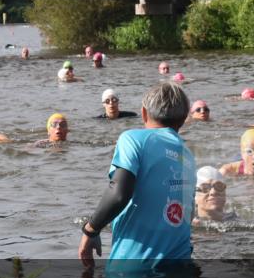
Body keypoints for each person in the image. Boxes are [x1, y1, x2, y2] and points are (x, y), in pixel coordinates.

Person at [78, 82, 195, 266]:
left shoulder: (133, 139)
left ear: (143, 113)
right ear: (184, 118)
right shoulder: (187, 155)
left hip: (134, 268)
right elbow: (188, 215)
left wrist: (91, 230)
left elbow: (118, 194)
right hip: (180, 267)